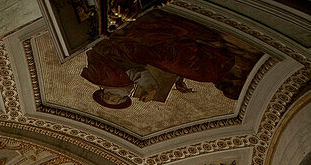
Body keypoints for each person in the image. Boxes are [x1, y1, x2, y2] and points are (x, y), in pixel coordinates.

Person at [81, 11, 258, 109]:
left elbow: (135, 72)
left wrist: (151, 88)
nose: (120, 98)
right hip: (134, 52)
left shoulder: (108, 79)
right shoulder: (107, 79)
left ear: (107, 94)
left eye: (112, 100)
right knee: (174, 65)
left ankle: (212, 56)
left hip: (132, 46)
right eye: (119, 101)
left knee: (177, 61)